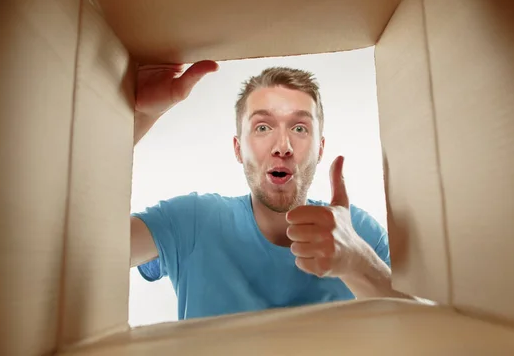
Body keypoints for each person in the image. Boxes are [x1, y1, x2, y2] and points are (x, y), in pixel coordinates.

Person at [130, 60, 411, 321]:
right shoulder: (190, 222)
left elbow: (425, 332)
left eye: (300, 128)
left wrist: (357, 264)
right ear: (238, 149)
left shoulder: (359, 233)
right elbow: (92, 250)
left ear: (320, 149)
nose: (283, 146)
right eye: (263, 127)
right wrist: (134, 120)